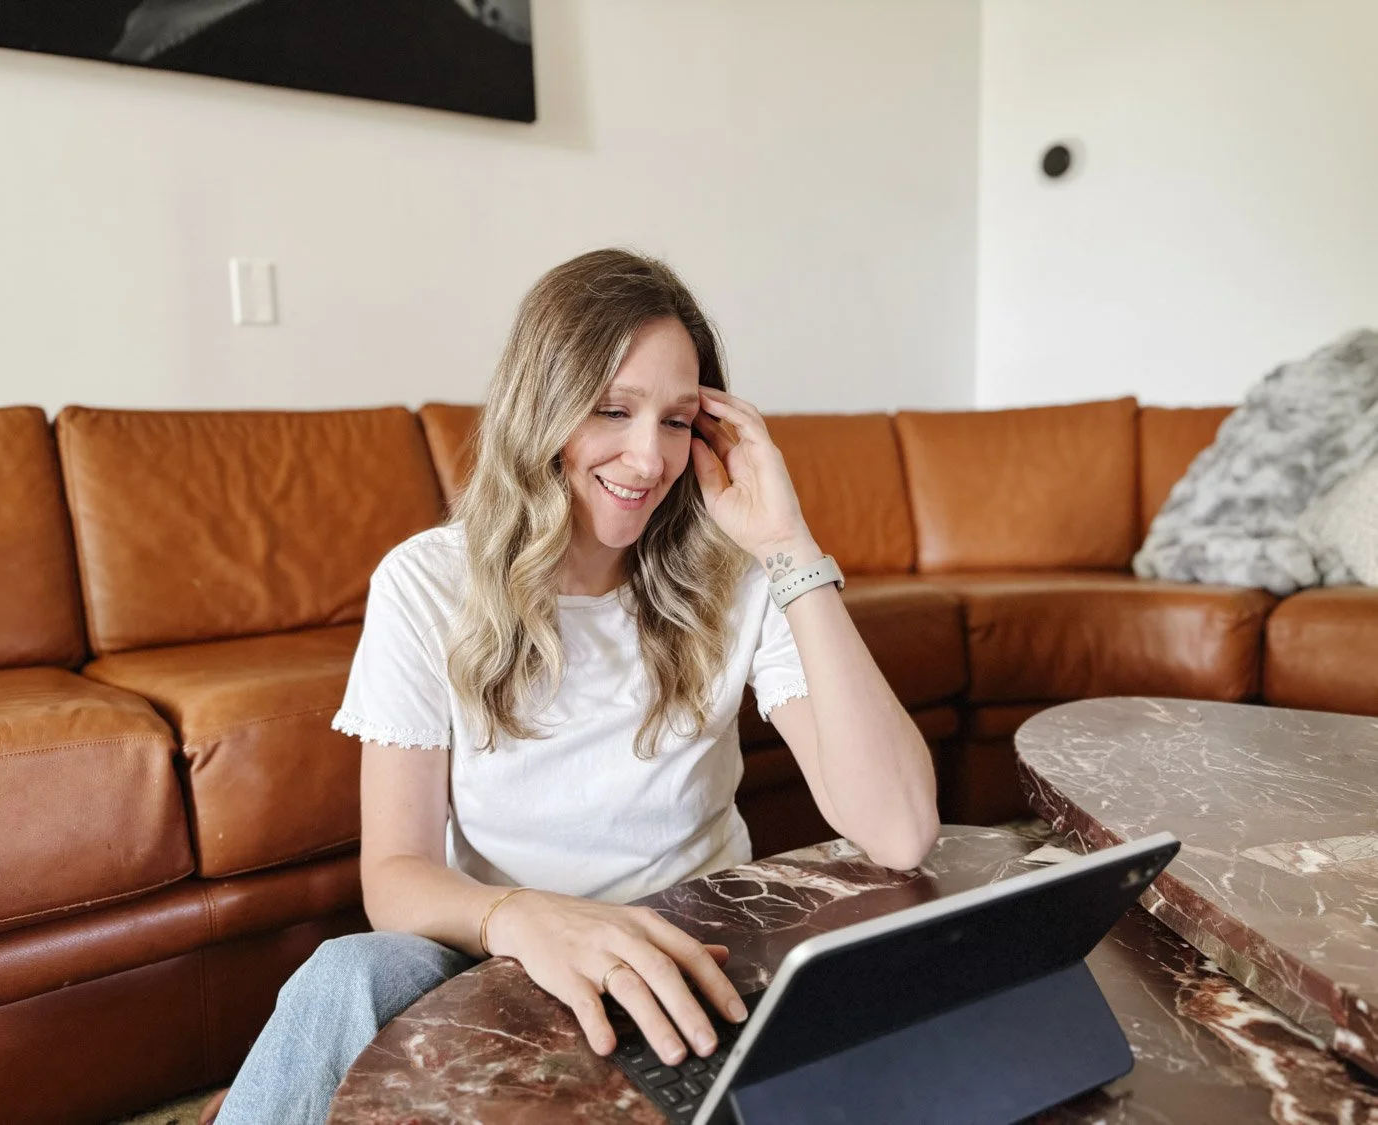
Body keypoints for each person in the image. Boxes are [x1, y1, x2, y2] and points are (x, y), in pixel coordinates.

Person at [204, 248, 939, 1125]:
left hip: (690, 955)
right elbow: (394, 877)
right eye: (611, 409)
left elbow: (899, 832)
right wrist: (523, 921)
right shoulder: (426, 583)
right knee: (345, 977)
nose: (647, 456)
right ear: (542, 407)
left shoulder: (741, 578)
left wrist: (787, 545)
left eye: (676, 420)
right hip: (502, 953)